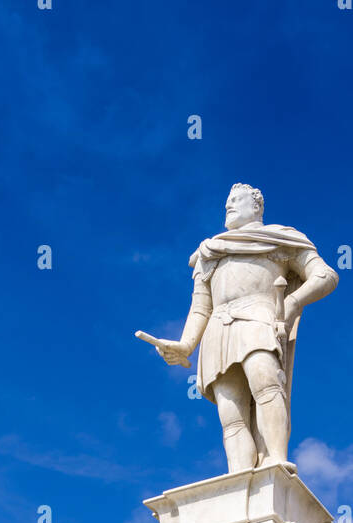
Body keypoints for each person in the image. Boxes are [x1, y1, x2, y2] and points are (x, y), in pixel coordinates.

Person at [136, 183, 338, 472]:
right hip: (218, 328)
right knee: (231, 414)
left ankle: (277, 464)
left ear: (256, 206)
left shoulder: (280, 239)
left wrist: (293, 301)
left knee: (266, 382)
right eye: (226, 203)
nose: (228, 206)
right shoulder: (209, 251)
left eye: (235, 201)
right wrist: (185, 345)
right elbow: (200, 308)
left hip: (258, 316)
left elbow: (325, 276)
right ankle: (240, 478)